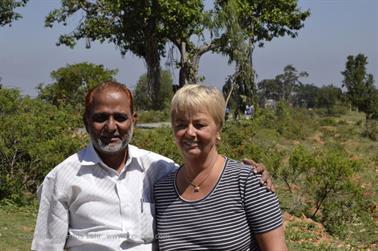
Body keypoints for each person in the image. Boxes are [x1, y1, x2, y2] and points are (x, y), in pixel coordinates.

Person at [32, 81, 272, 251]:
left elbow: (204, 175)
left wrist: (254, 175)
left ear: (133, 120)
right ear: (86, 122)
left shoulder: (159, 169)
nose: (111, 126)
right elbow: (46, 246)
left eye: (120, 117)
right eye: (100, 117)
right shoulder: (62, 178)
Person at [154, 84, 287, 250]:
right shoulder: (161, 190)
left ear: (218, 128)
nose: (189, 132)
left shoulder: (248, 183)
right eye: (181, 125)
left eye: (199, 124)